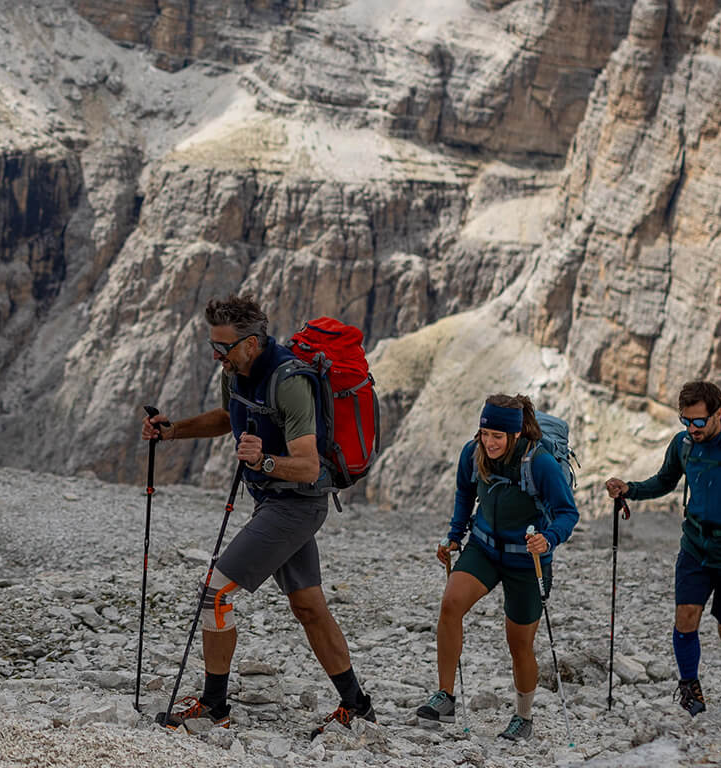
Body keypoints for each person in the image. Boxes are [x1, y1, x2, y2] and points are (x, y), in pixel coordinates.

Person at [141, 293, 376, 738]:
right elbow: (228, 417)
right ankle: (358, 706)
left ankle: (214, 706)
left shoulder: (288, 381)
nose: (216, 355)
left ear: (250, 342)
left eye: (223, 347)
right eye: (212, 345)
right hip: (273, 501)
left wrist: (264, 461)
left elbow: (308, 465)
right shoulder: (238, 372)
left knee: (214, 594)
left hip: (298, 503)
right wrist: (173, 432)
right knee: (308, 606)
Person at [604, 380, 721, 715]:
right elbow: (664, 481)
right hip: (695, 545)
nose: (692, 428)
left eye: (699, 421)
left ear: (718, 414)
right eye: (686, 421)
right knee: (685, 618)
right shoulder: (684, 444)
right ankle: (690, 692)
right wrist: (629, 489)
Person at [414, 394, 578, 741]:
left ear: (514, 435)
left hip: (526, 559)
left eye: (496, 436)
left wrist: (548, 538)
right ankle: (445, 697)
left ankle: (524, 716)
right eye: (484, 433)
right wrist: (455, 536)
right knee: (450, 604)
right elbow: (464, 492)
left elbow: (567, 512)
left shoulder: (541, 464)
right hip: (484, 548)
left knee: (519, 644)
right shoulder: (472, 453)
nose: (488, 442)